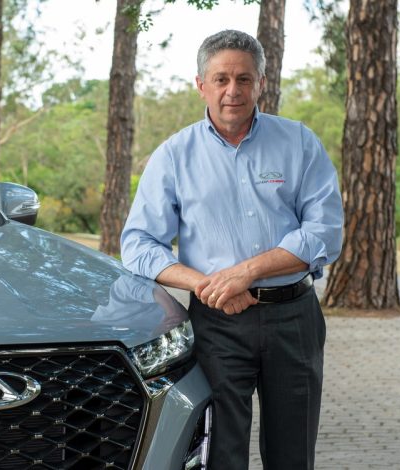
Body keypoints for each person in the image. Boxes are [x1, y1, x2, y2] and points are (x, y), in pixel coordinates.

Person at [120, 30, 343, 470]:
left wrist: (247, 272)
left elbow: (325, 231)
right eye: (221, 79)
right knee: (220, 452)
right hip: (217, 324)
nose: (232, 91)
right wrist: (210, 285)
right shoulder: (173, 155)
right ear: (201, 84)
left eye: (244, 79)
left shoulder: (299, 142)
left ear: (262, 83)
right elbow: (138, 244)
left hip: (293, 319)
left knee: (293, 454)